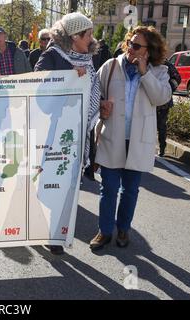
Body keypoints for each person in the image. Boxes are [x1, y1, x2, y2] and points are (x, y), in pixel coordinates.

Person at [89, 26, 172, 250]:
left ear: (149, 50)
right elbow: (93, 93)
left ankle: (123, 229)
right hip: (112, 136)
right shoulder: (111, 66)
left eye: (136, 46)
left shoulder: (158, 72)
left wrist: (145, 72)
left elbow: (161, 97)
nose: (130, 49)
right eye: (129, 43)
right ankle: (104, 231)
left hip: (138, 140)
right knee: (108, 188)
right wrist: (101, 106)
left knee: (131, 190)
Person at [35, 12, 109, 255]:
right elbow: (37, 88)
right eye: (87, 34)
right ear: (74, 36)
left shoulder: (88, 58)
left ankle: (57, 231)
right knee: (50, 183)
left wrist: (102, 104)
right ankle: (47, 229)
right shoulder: (53, 55)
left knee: (68, 184)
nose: (91, 37)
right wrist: (67, 78)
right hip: (52, 132)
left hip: (76, 133)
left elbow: (91, 91)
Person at [156, 59, 181, 157]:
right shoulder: (148, 62)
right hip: (149, 101)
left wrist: (168, 89)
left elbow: (177, 78)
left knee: (161, 126)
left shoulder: (167, 65)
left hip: (163, 103)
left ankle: (162, 148)